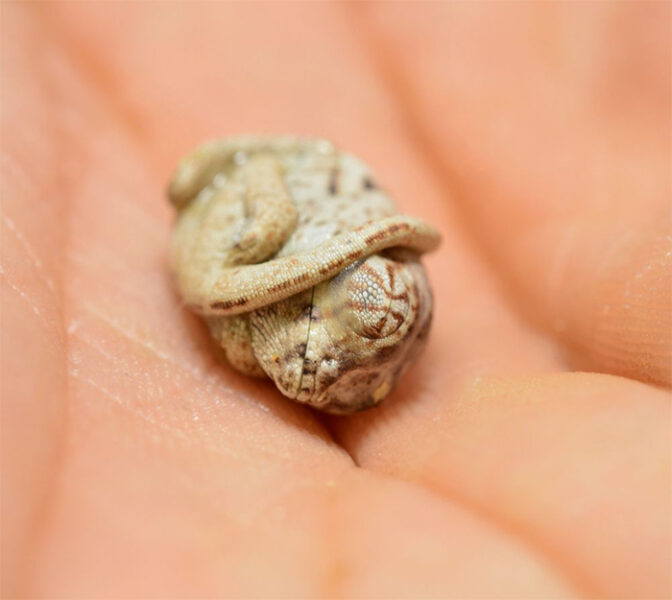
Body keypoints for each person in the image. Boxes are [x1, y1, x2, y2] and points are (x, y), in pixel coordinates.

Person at [2, 2, 670, 598]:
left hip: (284, 270)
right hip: (268, 238)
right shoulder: (299, 244)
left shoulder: (346, 345)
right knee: (265, 231)